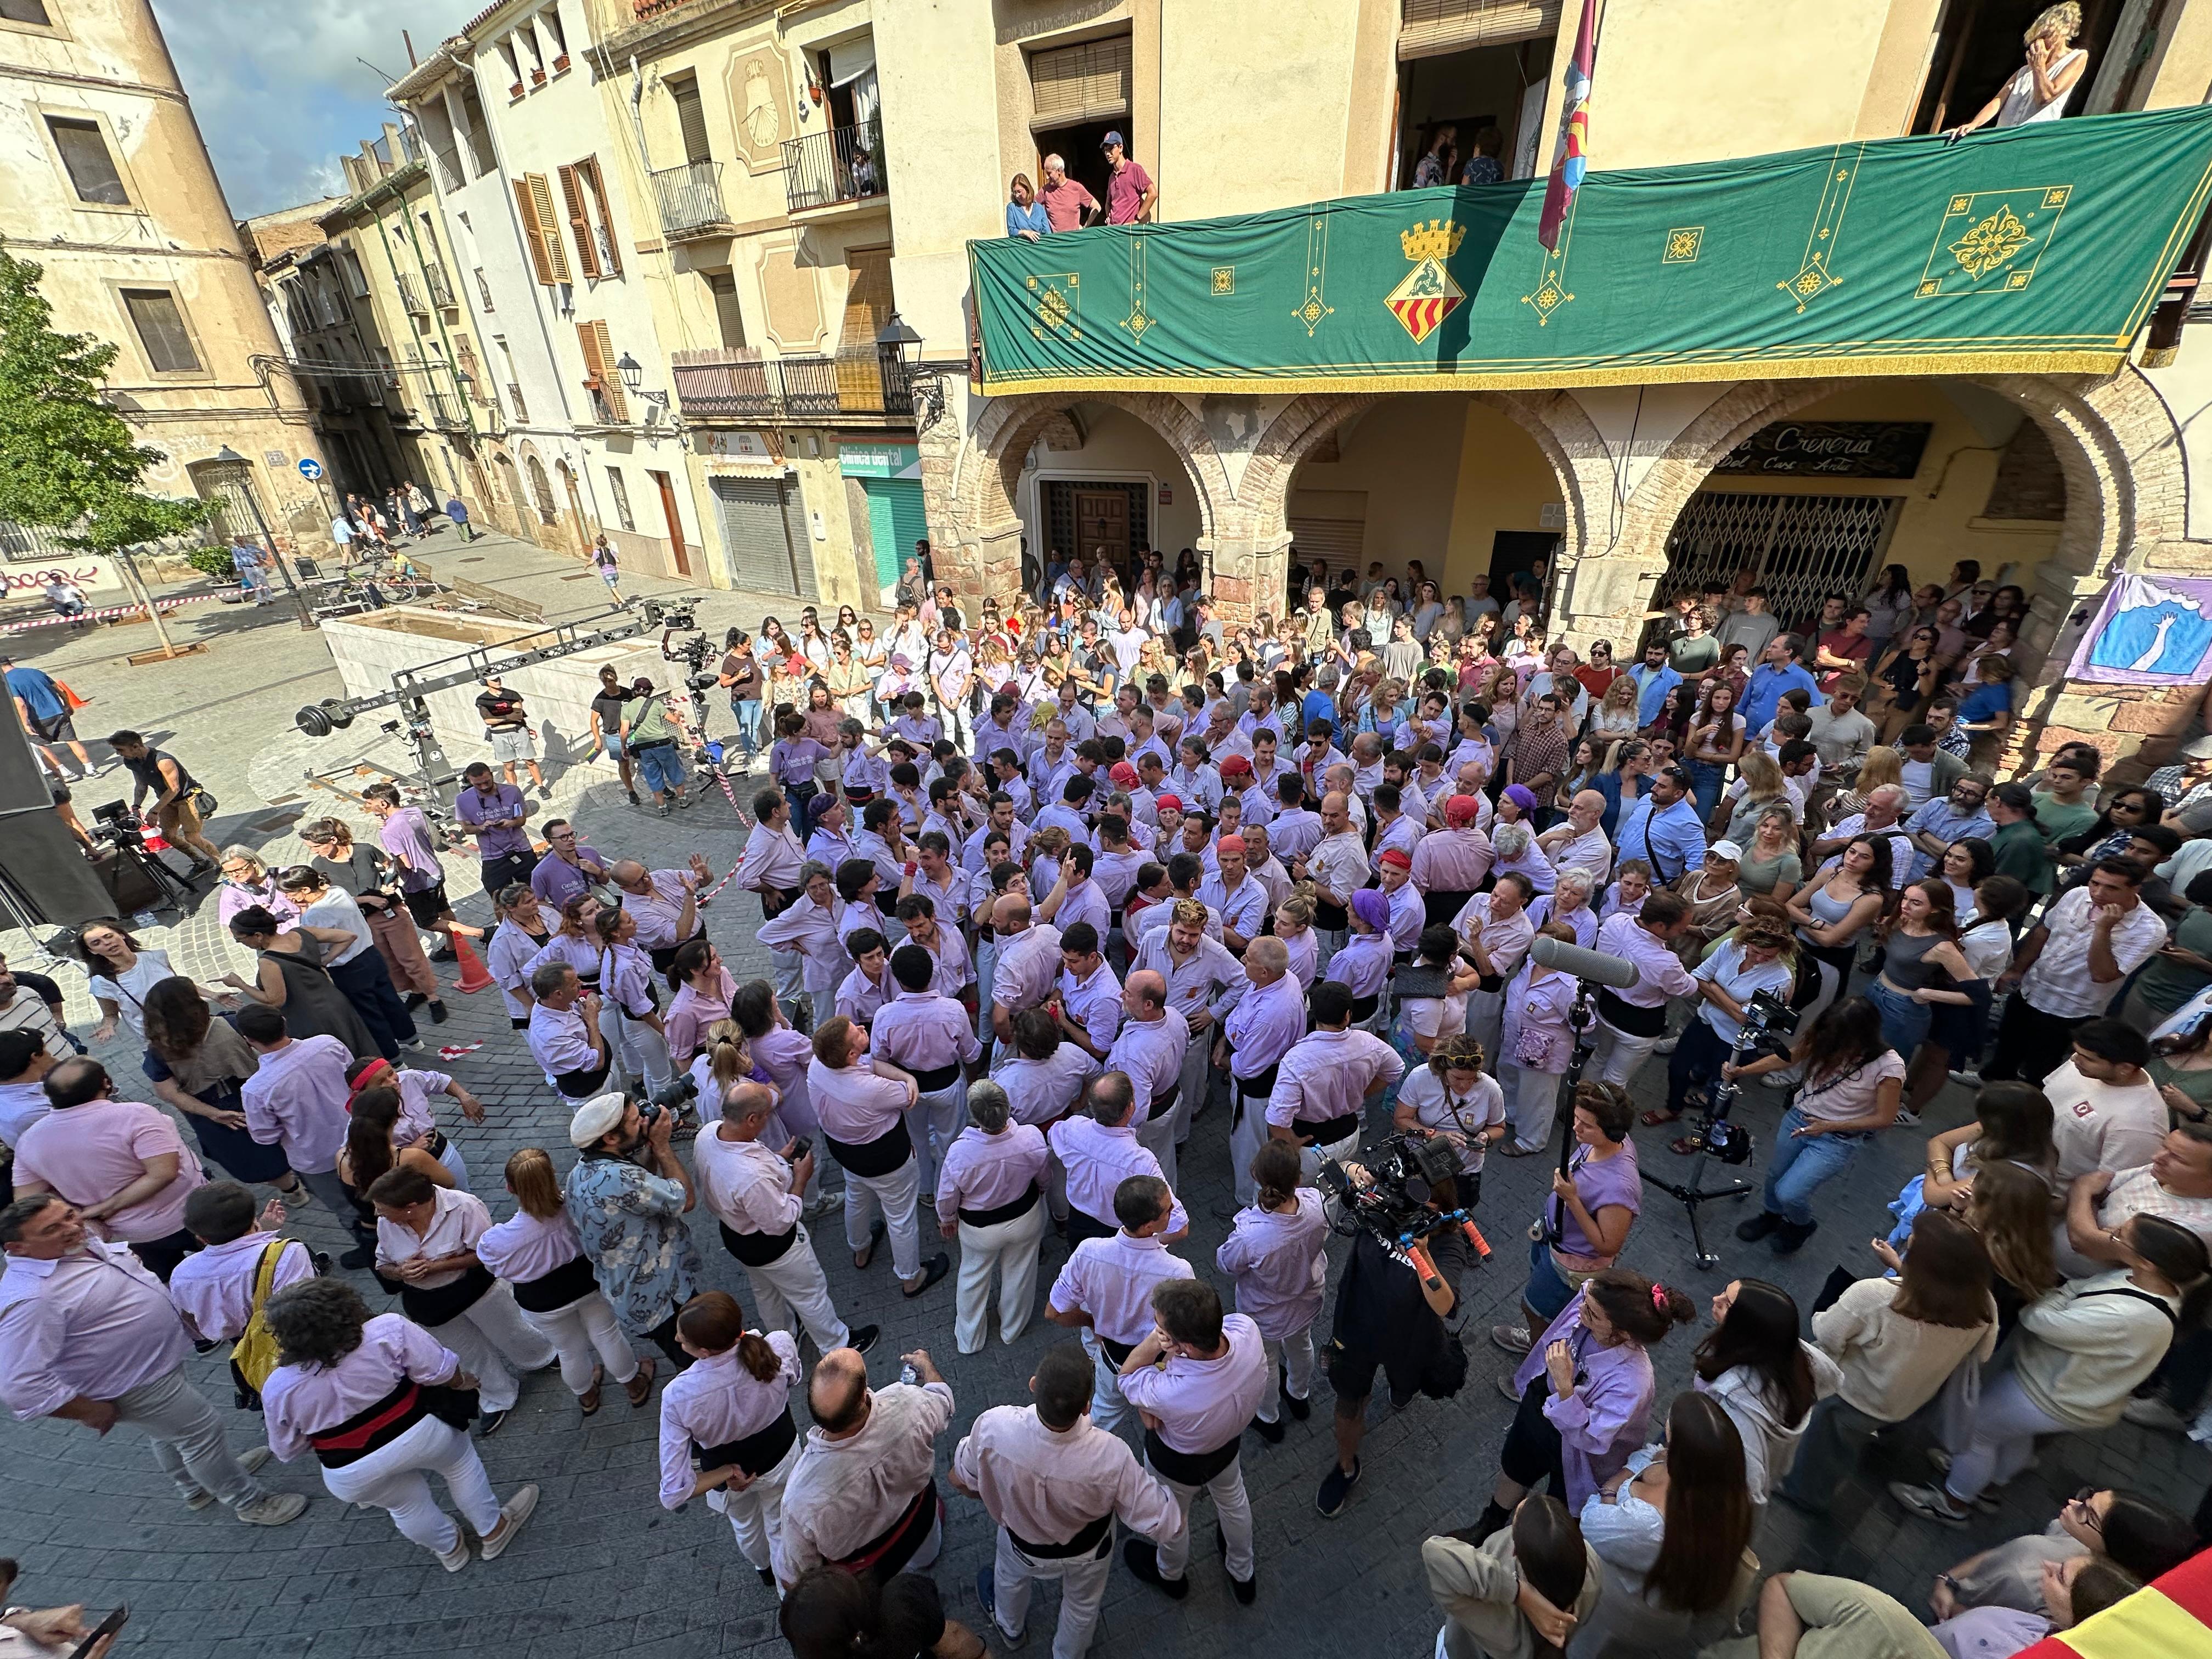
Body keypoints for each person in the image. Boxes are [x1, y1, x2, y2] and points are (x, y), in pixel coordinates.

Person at [0, 1192, 306, 1527]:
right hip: (134, 1383)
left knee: (171, 1433)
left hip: (152, 1365)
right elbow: (21, 1387)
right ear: (17, 1249)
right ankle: (250, 1502)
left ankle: (195, 1486)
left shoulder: (71, 1248)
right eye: (50, 1229)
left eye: (70, 1215)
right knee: (201, 1432)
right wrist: (89, 1411)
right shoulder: (31, 1299)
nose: (71, 1228)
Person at [1894, 1211, 2204, 1524]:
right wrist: (2063, 1296)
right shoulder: (2147, 1285)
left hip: (2050, 1395)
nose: (2108, 1232)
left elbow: (2043, 1321)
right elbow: (2077, 1290)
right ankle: (1987, 1487)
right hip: (2062, 1393)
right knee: (2011, 1437)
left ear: (2148, 1262)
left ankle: (1952, 1504)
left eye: (2119, 1236)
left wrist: (2050, 1298)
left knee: (1975, 1435)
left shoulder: (2134, 1316)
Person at [259, 1277, 535, 1570]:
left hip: (350, 1468)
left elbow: (287, 1450)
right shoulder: (386, 1329)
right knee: (459, 1466)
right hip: (420, 1432)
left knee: (405, 1505)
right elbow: (438, 1371)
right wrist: (464, 1382)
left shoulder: (278, 1386)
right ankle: (493, 1529)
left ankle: (450, 1550)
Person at [956, 1341, 1184, 1659]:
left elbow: (964, 1473)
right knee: (1082, 1605)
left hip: (1020, 1543)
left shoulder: (994, 1426)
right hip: (1089, 1551)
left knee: (1008, 1578)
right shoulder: (1111, 1454)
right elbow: (1165, 1521)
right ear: (1087, 1406)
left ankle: (1010, 1628)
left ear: (1034, 1385)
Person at [1778, 1213, 1997, 1511]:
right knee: (1865, 1431)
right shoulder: (1984, 1303)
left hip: (1853, 1396)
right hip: (1910, 1397)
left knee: (1827, 1446)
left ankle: (1805, 1492)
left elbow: (1828, 1334)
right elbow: (1982, 1354)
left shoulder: (1875, 1296)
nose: (1909, 1240)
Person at [1465, 1269, 1696, 1541]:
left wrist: (1565, 1387)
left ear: (1621, 1334)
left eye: (1593, 1313)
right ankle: (1490, 1523)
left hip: (1580, 1452)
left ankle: (1527, 1556)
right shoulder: (1592, 1300)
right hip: (1542, 1407)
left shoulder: (1634, 1381)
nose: (1581, 1310)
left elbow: (1593, 1437)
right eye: (1585, 1302)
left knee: (1559, 1511)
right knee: (1517, 1464)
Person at [1316, 1147, 1477, 1520]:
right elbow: (1342, 1167)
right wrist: (1359, 1173)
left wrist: (1423, 1255)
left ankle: (1401, 1390)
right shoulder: (1382, 1206)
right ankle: (1345, 1467)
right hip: (1356, 1325)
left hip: (1412, 1339)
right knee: (1350, 1402)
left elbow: (1444, 1305)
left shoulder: (1446, 1240)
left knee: (1405, 1386)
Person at [365, 1166, 555, 1437]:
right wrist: (400, 1272)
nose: (377, 1215)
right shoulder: (388, 1223)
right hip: (430, 1305)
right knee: (468, 1353)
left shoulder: (464, 1207)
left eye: (383, 1210)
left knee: (512, 1331)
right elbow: (383, 1264)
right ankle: (497, 1396)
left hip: (478, 1290)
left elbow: (483, 1253)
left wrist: (438, 1267)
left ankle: (541, 1357)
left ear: (410, 1207)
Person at [696, 1079, 877, 1356]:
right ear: (751, 1118)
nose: (770, 1119)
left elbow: (750, 1169)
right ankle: (838, 1345)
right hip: (773, 1245)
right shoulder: (750, 1178)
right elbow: (781, 1220)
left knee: (767, 1293)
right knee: (810, 1294)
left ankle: (784, 1339)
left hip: (735, 1235)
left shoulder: (709, 1134)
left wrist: (779, 1159)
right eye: (767, 1114)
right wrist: (801, 1180)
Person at [1115, 1277, 1268, 1604]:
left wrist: (1156, 1345)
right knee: (1233, 1501)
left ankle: (1171, 1575)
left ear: (1181, 1343)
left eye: (1159, 1327)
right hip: (1227, 1445)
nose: (1156, 1330)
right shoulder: (1248, 1331)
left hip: (1176, 1463)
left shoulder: (1173, 1393)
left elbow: (1127, 1378)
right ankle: (1243, 1571)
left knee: (1174, 1521)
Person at [1571, 1392, 1758, 1655]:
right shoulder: (1731, 1492)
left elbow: (1590, 1522)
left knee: (1584, 1649)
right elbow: (1650, 1454)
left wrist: (1611, 1488)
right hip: (1664, 1603)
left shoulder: (1648, 1524)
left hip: (1621, 1610)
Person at [475, 1147, 650, 1418]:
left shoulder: (496, 1241)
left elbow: (496, 1268)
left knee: (568, 1349)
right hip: (588, 1285)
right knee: (607, 1335)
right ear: (553, 1176)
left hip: (542, 1302)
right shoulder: (580, 1206)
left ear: (510, 1188)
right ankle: (633, 1385)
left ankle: (588, 1396)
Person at [1730, 997, 1905, 1254]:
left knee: (1790, 1192)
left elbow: (1884, 1119)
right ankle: (1771, 1216)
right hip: (1798, 1119)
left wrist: (1829, 1126)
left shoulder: (1888, 1067)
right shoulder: (1825, 1037)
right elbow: (1789, 1057)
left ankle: (1800, 1224)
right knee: (1775, 1176)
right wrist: (1742, 1071)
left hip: (1838, 1139)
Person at [9, 1056, 206, 1282]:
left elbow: (27, 1201)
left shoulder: (29, 1141)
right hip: (192, 1213)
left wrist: (81, 1208)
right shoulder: (135, 1114)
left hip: (132, 1234)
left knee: (170, 1280)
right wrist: (105, 1207)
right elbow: (163, 1173)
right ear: (106, 1083)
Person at [657, 1289, 804, 1588]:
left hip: (731, 1480)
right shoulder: (777, 1344)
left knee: (746, 1527)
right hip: (782, 1459)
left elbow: (673, 1492)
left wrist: (726, 1473)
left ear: (704, 1352)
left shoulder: (678, 1395)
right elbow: (795, 1378)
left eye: (682, 1338)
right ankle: (789, 1591)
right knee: (780, 1527)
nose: (676, 1341)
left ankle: (764, 1569)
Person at [780, 1344, 955, 1586]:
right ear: (863, 1395)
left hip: (866, 1571)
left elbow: (797, 1573)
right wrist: (926, 1365)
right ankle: (926, 1560)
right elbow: (943, 1397)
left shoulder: (800, 1498)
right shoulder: (910, 1402)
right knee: (927, 1545)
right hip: (919, 1515)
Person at [1986, 859, 2169, 1085]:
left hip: (2071, 1008)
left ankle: (2024, 1109)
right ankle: (1992, 1081)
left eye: (2111, 888)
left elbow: (2103, 974)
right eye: (2095, 883)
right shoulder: (2077, 895)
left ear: (2135, 889)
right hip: (2033, 987)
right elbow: (2044, 931)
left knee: (2042, 1067)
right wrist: (2017, 969)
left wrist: (2103, 929)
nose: (2098, 893)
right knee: (2008, 1044)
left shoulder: (2149, 929)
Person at [1493, 1083, 1641, 1360]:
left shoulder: (1621, 1186)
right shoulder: (1599, 1145)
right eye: (1576, 1118)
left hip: (1573, 1263)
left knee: (1536, 1310)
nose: (1576, 1129)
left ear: (1613, 1131)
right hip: (1553, 1242)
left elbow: (1608, 1246)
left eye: (1587, 1125)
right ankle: (1539, 1343)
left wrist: (1572, 1199)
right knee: (1539, 1303)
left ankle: (1539, 1368)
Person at [810, 1015, 951, 1299]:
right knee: (901, 1217)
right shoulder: (873, 1089)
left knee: (856, 1196)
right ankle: (911, 1277)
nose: (863, 1028)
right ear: (851, 1053)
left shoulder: (820, 1065)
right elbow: (906, 1097)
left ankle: (860, 1249)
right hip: (887, 1160)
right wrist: (909, 1077)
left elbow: (870, 1063)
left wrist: (903, 1077)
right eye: (857, 1033)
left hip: (845, 1152)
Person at [563, 1092, 703, 1369]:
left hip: (634, 1294)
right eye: (635, 1120)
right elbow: (686, 1200)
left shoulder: (583, 1170)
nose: (643, 1120)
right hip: (662, 1300)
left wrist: (647, 1144)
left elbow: (642, 1186)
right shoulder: (620, 1179)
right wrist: (662, 1146)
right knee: (701, 1364)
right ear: (611, 1139)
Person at [1047, 1175, 1194, 1438]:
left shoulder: (1088, 1252)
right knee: (1168, 1425)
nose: (1174, 1211)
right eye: (1169, 1209)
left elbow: (1054, 1312)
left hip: (1112, 1359)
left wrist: (1091, 1322)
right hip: (1159, 1368)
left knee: (1101, 1419)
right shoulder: (1178, 1272)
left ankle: (1083, 1457)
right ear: (1150, 1226)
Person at [1215, 1140, 1327, 1445]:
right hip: (1306, 1300)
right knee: (1301, 1346)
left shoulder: (1252, 1235)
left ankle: (1269, 1418)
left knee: (1265, 1362)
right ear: (1298, 1178)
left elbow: (1226, 1263)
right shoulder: (1317, 1204)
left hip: (1263, 1312)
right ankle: (1299, 1396)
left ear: (1258, 1178)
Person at [1695, 1277, 1838, 1506]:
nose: (1716, 1299)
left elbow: (1747, 1489)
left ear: (1746, 1327)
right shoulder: (1785, 1356)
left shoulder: (1737, 1410)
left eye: (1727, 1302)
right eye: (1724, 1291)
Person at [936, 1079, 1048, 1355]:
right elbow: (1044, 1177)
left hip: (979, 1228)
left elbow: (947, 1195)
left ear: (976, 1116)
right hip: (1026, 1216)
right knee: (1020, 1273)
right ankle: (1012, 1329)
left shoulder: (961, 1152)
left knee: (973, 1277)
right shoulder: (1032, 1137)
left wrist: (947, 1218)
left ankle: (970, 1339)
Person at [298, 817, 445, 1023]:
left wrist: (390, 883)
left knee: (411, 957)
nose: (314, 851)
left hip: (390, 912)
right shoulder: (319, 864)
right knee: (388, 962)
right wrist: (366, 898)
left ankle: (432, 997)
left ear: (332, 840)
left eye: (316, 846)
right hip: (362, 920)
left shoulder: (365, 850)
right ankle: (415, 991)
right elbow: (330, 895)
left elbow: (391, 866)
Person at [1423, 1495, 1599, 1659]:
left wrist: (1521, 1594)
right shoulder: (1593, 1570)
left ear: (1515, 1551)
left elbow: (1435, 1551)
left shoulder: (1500, 1614)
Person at [1946, 1, 2090, 135]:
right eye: (2038, 36)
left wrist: (2039, 67)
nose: (2042, 41)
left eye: (2047, 35)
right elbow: (1998, 101)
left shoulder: (2077, 58)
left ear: (2065, 30)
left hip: (2030, 142)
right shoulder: (2024, 72)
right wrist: (1974, 124)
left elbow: (2046, 97)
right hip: (2003, 138)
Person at [106, 729, 219, 873]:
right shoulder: (131, 761)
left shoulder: (163, 761)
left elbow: (174, 789)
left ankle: (222, 863)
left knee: (192, 837)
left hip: (188, 798)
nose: (118, 753)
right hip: (167, 801)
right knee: (168, 836)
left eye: (120, 750)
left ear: (135, 746)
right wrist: (136, 807)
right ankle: (200, 861)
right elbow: (141, 786)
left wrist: (155, 811)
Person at [4, 656, 92, 779]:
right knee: (72, 740)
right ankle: (91, 769)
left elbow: (21, 704)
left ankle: (65, 772)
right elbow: (61, 690)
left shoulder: (8, 681)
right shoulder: (35, 672)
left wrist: (26, 724)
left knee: (39, 745)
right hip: (59, 712)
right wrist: (67, 706)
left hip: (38, 719)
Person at [473, 674, 547, 797]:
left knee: (530, 760)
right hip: (499, 735)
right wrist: (508, 716)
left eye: (498, 679)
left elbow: (518, 715)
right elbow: (487, 720)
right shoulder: (483, 699)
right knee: (509, 765)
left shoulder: (512, 695)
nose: (497, 681)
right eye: (493, 680)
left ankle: (541, 787)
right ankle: (514, 792)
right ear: (485, 682)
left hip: (518, 731)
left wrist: (497, 717)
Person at [1100, 130, 1155, 224]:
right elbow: (1108, 203)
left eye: (1111, 149)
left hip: (1129, 233)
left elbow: (1153, 193)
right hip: (1114, 232)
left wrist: (1137, 220)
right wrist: (1109, 218)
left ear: (1121, 148)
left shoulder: (1134, 170)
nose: (1108, 154)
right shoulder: (1112, 177)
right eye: (1105, 150)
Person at [1037, 152, 1099, 230]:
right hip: (1055, 240)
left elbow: (1096, 207)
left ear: (1059, 171)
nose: (1046, 177)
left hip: (1074, 239)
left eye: (1049, 173)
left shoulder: (1076, 188)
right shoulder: (1044, 191)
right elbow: (1030, 208)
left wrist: (1085, 227)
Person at [1005, 171, 1050, 240]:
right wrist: (1025, 233)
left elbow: (1048, 232)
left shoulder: (1039, 208)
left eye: (1019, 192)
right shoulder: (1012, 208)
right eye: (1015, 192)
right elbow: (1011, 231)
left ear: (1027, 190)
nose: (1017, 195)